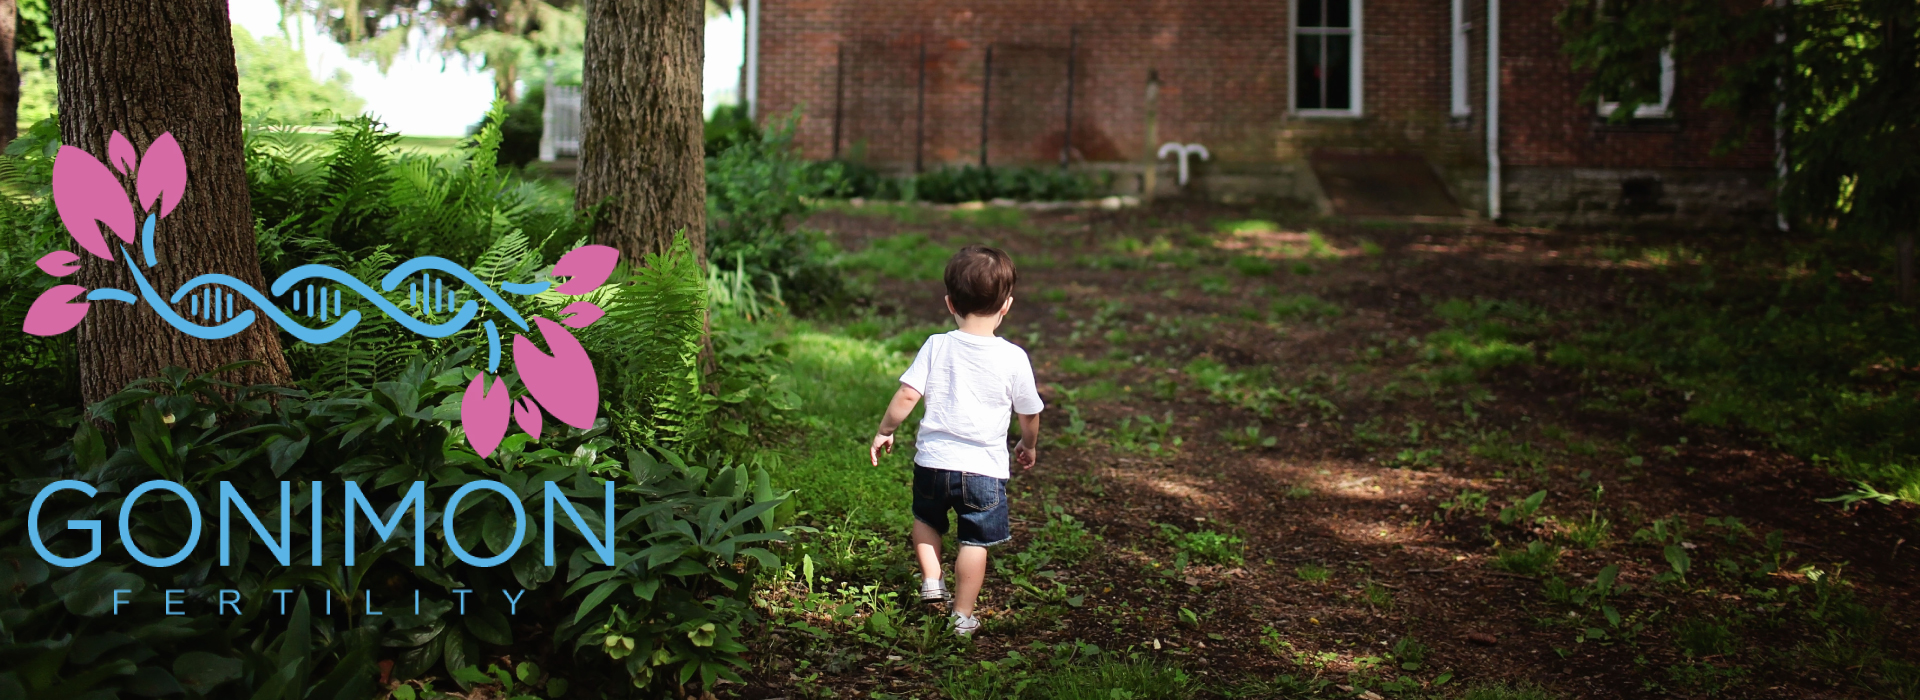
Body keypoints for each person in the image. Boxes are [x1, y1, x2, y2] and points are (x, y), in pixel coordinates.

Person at [869, 245, 1044, 637]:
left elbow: (907, 396)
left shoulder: (937, 345)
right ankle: (962, 616)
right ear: (1007, 306)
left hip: (932, 463)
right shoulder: (1014, 357)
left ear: (950, 303)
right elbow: (1029, 413)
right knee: (974, 541)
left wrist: (885, 430)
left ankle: (932, 580)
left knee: (926, 520)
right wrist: (1028, 444)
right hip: (983, 471)